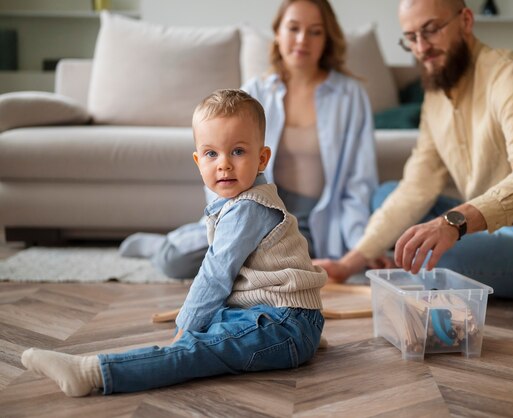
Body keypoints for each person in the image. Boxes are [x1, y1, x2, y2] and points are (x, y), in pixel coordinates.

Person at [20, 89, 327, 396]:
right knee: (215, 320)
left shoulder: (248, 207)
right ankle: (294, 339)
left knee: (195, 349)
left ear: (261, 158)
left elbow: (215, 273)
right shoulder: (242, 202)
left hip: (287, 321)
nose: (224, 165)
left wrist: (188, 327)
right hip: (284, 316)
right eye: (211, 154)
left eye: (237, 151)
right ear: (198, 160)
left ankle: (92, 372)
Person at [316, 0, 513, 300]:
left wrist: (451, 223)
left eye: (430, 30)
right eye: (411, 38)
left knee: (442, 259)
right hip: (491, 232)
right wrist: (346, 265)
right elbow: (417, 186)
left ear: (466, 21)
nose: (421, 47)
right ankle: (440, 268)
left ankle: (441, 269)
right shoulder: (436, 96)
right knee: (385, 195)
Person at [119, 0, 378, 279]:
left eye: (315, 31)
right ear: (278, 33)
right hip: (255, 208)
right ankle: (161, 245)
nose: (303, 39)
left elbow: (359, 180)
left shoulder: (350, 95)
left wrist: (358, 248)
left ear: (327, 38)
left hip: (316, 223)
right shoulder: (255, 91)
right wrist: (231, 220)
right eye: (293, 28)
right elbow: (220, 156)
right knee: (176, 262)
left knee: (300, 271)